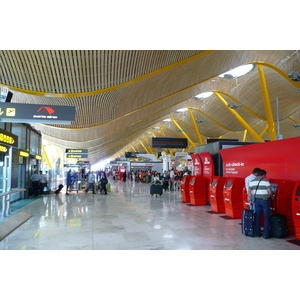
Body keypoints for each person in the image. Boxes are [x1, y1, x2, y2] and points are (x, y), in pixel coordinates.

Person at [249, 169, 272, 239]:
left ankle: (258, 232)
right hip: (265, 200)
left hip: (256, 200)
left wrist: (250, 200)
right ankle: (266, 234)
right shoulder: (266, 181)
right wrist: (270, 196)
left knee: (257, 216)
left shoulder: (252, 182)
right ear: (264, 175)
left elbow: (249, 191)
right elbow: (270, 192)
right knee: (266, 217)